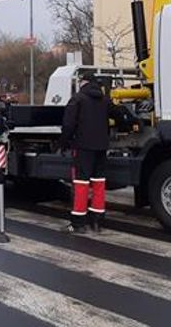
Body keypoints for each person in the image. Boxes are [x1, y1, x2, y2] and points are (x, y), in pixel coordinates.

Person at [59, 71, 109, 234]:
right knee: (99, 183)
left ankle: (79, 223)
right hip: (101, 147)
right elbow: (119, 115)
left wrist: (64, 143)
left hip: (83, 147)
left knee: (81, 184)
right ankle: (97, 222)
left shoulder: (78, 99)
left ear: (83, 82)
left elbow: (68, 124)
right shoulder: (104, 100)